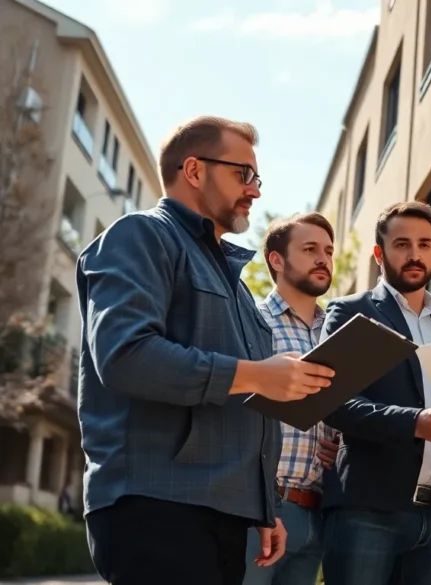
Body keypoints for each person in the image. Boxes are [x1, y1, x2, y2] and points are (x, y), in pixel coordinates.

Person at [76, 116, 335, 585]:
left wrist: (262, 506)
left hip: (227, 513)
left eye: (257, 178)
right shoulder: (139, 236)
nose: (255, 191)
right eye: (244, 174)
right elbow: (125, 356)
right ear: (194, 170)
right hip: (156, 504)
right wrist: (257, 375)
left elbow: (245, 407)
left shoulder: (237, 290)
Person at [318, 201, 431, 585]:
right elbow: (333, 403)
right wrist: (416, 422)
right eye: (402, 244)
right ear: (379, 253)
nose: (415, 254)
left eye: (425, 244)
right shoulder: (351, 313)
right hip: (368, 511)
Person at [242, 212, 342, 585]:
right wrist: (260, 506)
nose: (323, 259)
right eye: (310, 249)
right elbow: (234, 415)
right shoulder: (251, 322)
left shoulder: (337, 334)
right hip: (263, 511)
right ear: (277, 260)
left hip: (317, 513)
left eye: (329, 251)